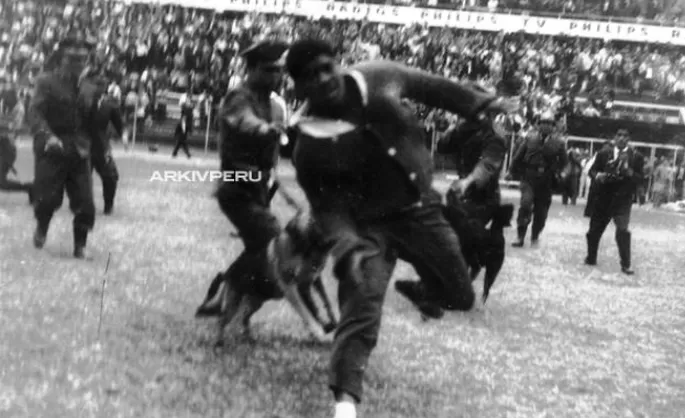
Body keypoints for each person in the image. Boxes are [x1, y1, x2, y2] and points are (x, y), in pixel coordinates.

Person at [284, 39, 514, 418]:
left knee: (461, 295)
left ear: (338, 63)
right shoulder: (309, 143)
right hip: (367, 227)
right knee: (362, 306)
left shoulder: (377, 77)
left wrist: (480, 103)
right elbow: (328, 207)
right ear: (299, 86)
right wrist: (346, 244)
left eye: (328, 67)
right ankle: (345, 403)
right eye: (312, 76)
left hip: (420, 210)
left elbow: (430, 85)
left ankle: (420, 288)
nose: (325, 79)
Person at [195, 40, 289, 317]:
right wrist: (265, 129)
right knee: (273, 240)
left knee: (259, 248)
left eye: (279, 71)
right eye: (269, 70)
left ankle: (222, 296)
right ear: (251, 70)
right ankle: (226, 288)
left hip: (258, 187)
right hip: (236, 187)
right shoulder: (239, 97)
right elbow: (244, 121)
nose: (276, 76)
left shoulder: (271, 103)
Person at [27, 31, 96, 259]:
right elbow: (35, 112)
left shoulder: (88, 87)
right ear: (61, 59)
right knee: (47, 199)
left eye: (82, 60)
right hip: (53, 147)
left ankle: (80, 246)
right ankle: (42, 227)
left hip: (79, 149)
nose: (78, 64)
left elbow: (92, 120)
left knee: (85, 202)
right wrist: (47, 136)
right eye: (72, 59)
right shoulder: (46, 81)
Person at [437, 116, 513, 302]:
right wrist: (452, 128)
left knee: (461, 239)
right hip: (462, 194)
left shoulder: (494, 135)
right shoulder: (464, 129)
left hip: (482, 197)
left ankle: (457, 288)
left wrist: (469, 181)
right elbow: (442, 147)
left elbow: (487, 165)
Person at [584, 129, 644, 275]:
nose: (622, 139)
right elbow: (592, 171)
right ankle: (591, 257)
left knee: (623, 231)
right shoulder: (604, 154)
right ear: (614, 138)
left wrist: (630, 173)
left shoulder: (636, 157)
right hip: (604, 197)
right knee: (594, 231)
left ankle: (626, 264)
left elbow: (640, 178)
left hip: (622, 200)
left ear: (629, 139)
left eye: (625, 136)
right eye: (619, 135)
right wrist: (599, 176)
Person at [508, 110, 568, 248]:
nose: (546, 126)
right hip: (529, 178)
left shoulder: (559, 143)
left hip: (546, 180)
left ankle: (535, 235)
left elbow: (566, 164)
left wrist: (563, 174)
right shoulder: (529, 138)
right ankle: (520, 236)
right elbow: (517, 157)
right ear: (538, 125)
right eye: (543, 123)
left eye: (549, 124)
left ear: (554, 127)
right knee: (526, 204)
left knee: (541, 213)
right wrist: (510, 171)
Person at [83, 73, 125, 214]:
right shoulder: (82, 102)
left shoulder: (110, 105)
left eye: (101, 86)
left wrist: (123, 136)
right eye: (96, 86)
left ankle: (108, 204)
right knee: (80, 177)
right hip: (84, 145)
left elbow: (119, 125)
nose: (98, 89)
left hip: (101, 146)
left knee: (111, 176)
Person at [1, 75, 33, 200]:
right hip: (4, 145)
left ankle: (30, 188)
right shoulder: (5, 102)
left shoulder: (17, 107)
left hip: (7, 147)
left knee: (1, 182)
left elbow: (13, 127)